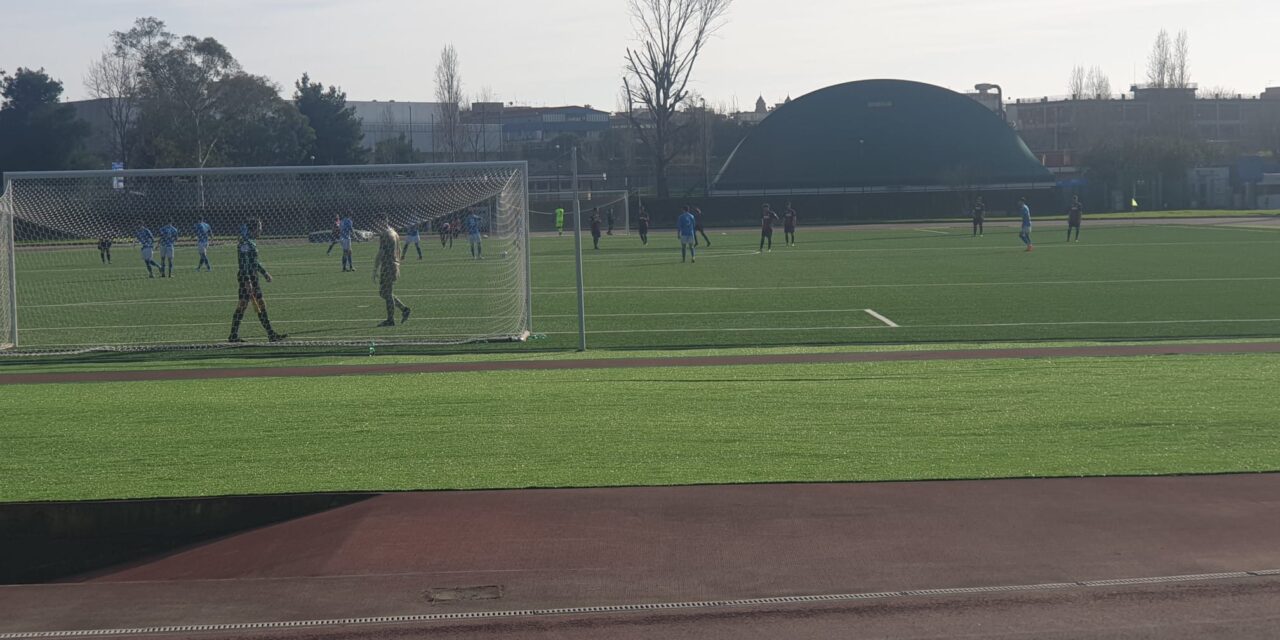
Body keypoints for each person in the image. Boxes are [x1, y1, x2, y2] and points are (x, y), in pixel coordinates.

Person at [228, 218, 287, 343]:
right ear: (254, 228)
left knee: (247, 305)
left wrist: (264, 273)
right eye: (260, 227)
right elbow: (244, 264)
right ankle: (270, 334)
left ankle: (234, 335)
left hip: (252, 276)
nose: (261, 229)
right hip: (247, 277)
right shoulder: (245, 242)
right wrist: (247, 281)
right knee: (252, 305)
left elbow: (254, 262)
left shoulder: (251, 241)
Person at [373, 214, 412, 327]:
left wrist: (375, 269)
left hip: (388, 266)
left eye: (377, 222)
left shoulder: (385, 234)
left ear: (382, 221)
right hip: (394, 265)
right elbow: (399, 250)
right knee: (383, 293)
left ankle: (390, 320)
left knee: (387, 293)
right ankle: (404, 309)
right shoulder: (394, 232)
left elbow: (381, 252)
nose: (376, 225)